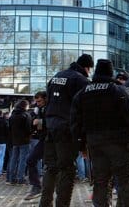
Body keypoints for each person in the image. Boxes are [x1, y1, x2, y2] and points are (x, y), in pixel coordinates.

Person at [71, 58, 129, 207]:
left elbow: (75, 122)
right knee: (125, 181)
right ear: (110, 73)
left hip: (94, 143)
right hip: (118, 142)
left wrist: (81, 144)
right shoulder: (117, 90)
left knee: (100, 181)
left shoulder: (83, 93)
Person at [39, 53, 93, 207]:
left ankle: (45, 203)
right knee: (67, 169)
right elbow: (83, 110)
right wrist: (83, 139)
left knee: (50, 167)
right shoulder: (80, 80)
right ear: (87, 67)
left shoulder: (57, 76)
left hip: (50, 127)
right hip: (67, 130)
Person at [25, 91, 47, 200]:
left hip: (52, 140)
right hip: (43, 139)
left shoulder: (52, 108)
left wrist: (40, 121)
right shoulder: (39, 109)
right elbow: (39, 127)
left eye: (40, 101)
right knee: (30, 160)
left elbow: (54, 122)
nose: (38, 103)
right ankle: (37, 186)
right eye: (36, 101)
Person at [8, 99, 32, 185]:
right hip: (25, 140)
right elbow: (28, 129)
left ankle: (12, 178)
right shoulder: (26, 115)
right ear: (25, 106)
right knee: (22, 160)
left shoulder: (12, 116)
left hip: (15, 141)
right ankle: (21, 178)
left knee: (14, 159)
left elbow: (9, 129)